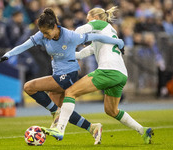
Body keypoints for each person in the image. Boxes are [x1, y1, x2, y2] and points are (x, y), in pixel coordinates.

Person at [0, 8, 124, 145]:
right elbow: (24, 45)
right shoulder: (41, 35)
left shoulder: (70, 35)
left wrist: (118, 42)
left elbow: (96, 37)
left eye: (46, 32)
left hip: (69, 74)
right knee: (63, 110)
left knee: (29, 87)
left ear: (54, 27)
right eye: (43, 33)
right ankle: (92, 128)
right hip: (57, 73)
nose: (44, 35)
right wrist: (8, 54)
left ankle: (55, 112)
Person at [42, 6, 154, 144]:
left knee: (70, 92)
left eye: (89, 19)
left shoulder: (102, 24)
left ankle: (60, 129)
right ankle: (143, 130)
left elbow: (80, 30)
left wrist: (74, 39)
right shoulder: (104, 36)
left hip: (108, 70)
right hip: (120, 74)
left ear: (95, 18)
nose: (88, 22)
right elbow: (82, 54)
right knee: (111, 110)